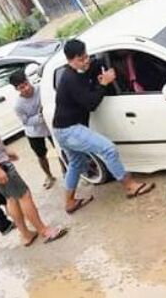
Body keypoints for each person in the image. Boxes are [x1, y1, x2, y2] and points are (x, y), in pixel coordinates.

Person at [0, 73, 67, 247]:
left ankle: (25, 234)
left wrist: (4, 151)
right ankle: (44, 231)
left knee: (11, 198)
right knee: (24, 195)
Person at [52, 39, 155, 214]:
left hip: (62, 129)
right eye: (81, 59)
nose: (86, 62)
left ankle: (69, 203)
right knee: (108, 149)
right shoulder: (70, 79)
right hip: (69, 130)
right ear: (69, 61)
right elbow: (91, 103)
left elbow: (97, 64)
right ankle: (129, 186)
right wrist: (103, 83)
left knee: (76, 163)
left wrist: (112, 60)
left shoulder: (83, 68)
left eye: (86, 57)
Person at [8, 70, 63, 190]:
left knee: (60, 148)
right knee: (41, 155)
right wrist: (40, 117)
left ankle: (65, 170)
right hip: (34, 132)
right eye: (22, 87)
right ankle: (49, 175)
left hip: (51, 126)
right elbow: (25, 121)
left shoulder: (41, 89)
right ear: (17, 89)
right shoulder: (18, 105)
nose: (27, 88)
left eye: (26, 84)